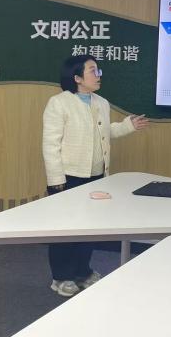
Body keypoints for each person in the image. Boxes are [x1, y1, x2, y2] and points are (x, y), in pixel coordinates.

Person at [42, 54, 149, 297]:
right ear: (77, 78)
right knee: (64, 229)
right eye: (93, 71)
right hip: (68, 178)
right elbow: (50, 144)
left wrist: (128, 126)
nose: (98, 75)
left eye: (98, 70)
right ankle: (61, 276)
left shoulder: (101, 102)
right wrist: (56, 181)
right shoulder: (59, 103)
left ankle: (83, 271)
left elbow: (104, 132)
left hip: (96, 176)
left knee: (88, 228)